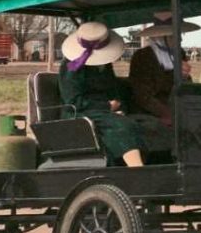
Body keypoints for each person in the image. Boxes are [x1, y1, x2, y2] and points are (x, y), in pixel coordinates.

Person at [59, 21, 145, 167]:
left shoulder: (105, 65)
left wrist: (119, 107)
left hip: (103, 112)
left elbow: (113, 89)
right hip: (79, 112)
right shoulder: (72, 66)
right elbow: (72, 101)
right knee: (123, 125)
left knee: (140, 122)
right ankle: (137, 169)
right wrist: (106, 106)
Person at [129, 11, 200, 127]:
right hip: (149, 113)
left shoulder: (179, 53)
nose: (180, 39)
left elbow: (182, 88)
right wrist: (168, 114)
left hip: (176, 110)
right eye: (174, 36)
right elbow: (143, 96)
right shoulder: (143, 56)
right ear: (161, 36)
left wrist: (185, 78)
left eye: (179, 34)